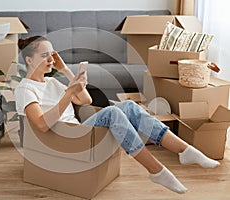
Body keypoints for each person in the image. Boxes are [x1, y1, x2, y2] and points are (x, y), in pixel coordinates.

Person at [14, 36, 220, 194]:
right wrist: (68, 92)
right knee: (113, 112)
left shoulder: (51, 82)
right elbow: (41, 125)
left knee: (129, 107)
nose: (51, 59)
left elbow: (85, 101)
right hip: (62, 139)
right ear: (29, 60)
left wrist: (66, 70)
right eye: (44, 56)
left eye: (52, 54)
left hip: (77, 131)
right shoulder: (25, 89)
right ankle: (156, 170)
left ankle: (185, 151)